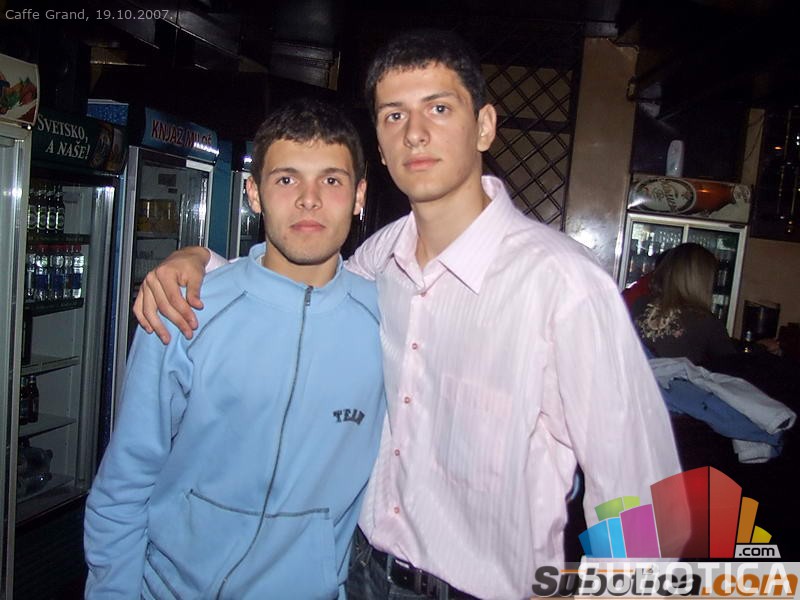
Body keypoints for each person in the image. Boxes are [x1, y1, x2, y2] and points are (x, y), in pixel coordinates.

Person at [133, 29, 683, 600]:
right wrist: (200, 262)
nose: (414, 132)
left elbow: (640, 490)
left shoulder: (564, 286)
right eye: (394, 115)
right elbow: (297, 289)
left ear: (485, 126)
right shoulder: (380, 258)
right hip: (359, 575)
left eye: (439, 108)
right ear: (379, 141)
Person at [84, 98, 386, 599]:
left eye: (331, 180)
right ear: (254, 193)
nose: (309, 200)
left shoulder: (390, 326)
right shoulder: (187, 308)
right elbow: (125, 481)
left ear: (359, 196)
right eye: (286, 179)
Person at [632, 242, 737, 367]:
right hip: (672, 379)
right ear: (704, 281)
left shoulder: (640, 304)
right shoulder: (705, 320)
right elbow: (731, 367)